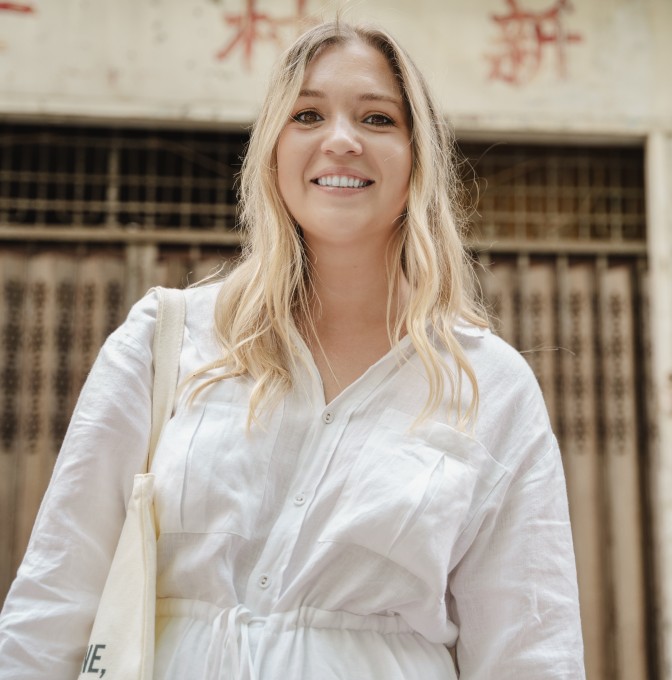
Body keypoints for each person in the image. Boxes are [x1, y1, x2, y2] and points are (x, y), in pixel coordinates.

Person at [0, 18, 585, 679]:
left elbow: (530, 649)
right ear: (272, 150)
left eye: (377, 119)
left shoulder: (490, 385)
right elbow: (56, 592)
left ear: (417, 156)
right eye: (308, 114)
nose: (341, 141)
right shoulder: (166, 341)